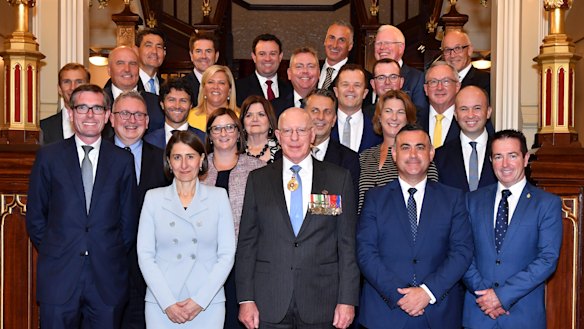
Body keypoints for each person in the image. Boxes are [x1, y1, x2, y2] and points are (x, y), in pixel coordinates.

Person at [27, 84, 138, 329]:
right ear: (71, 113)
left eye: (97, 108)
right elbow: (36, 216)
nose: (90, 115)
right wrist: (57, 249)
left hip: (107, 279)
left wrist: (108, 250)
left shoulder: (122, 161)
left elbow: (128, 222)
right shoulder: (49, 157)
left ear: (108, 115)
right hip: (59, 276)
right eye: (83, 108)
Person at [237, 107, 360, 329]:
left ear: (312, 135)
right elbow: (247, 243)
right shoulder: (258, 179)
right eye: (288, 131)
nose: (294, 138)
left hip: (322, 301)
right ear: (278, 135)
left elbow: (347, 245)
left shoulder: (338, 179)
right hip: (269, 301)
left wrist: (347, 300)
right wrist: (246, 299)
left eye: (301, 130)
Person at [357, 124, 473, 329]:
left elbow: (461, 252)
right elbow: (366, 252)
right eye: (405, 147)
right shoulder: (374, 198)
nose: (413, 154)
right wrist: (399, 295)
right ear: (394, 153)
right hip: (384, 313)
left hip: (438, 313)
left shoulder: (453, 198)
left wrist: (427, 292)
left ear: (430, 153)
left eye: (420, 147)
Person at [463, 129, 563, 328]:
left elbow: (547, 259)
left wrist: (501, 296)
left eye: (512, 155)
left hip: (523, 317)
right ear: (491, 160)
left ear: (525, 159)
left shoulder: (546, 204)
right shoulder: (472, 201)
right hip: (479, 313)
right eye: (498, 156)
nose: (505, 164)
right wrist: (486, 296)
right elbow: (462, 251)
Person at [137, 130, 236, 328]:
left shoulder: (218, 197)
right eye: (177, 157)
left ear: (201, 160)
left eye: (190, 157)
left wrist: (200, 300)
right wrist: (168, 303)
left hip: (207, 303)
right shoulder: (153, 198)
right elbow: (145, 254)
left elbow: (226, 254)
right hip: (162, 302)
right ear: (169, 162)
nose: (184, 165)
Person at [109, 90, 170, 329]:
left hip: (151, 275)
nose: (131, 120)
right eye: (125, 113)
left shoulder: (164, 161)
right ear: (111, 119)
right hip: (106, 272)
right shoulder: (95, 158)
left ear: (147, 122)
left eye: (138, 115)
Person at [201, 108, 265, 329]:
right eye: (217, 128)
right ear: (210, 134)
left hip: (245, 264)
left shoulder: (257, 168)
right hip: (206, 264)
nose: (223, 133)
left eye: (229, 127)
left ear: (239, 133)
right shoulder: (198, 169)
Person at [358, 90, 439, 213]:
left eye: (400, 112)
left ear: (408, 119)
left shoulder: (419, 157)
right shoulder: (364, 157)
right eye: (388, 111)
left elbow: (431, 203)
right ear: (379, 117)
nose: (394, 117)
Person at [434, 86, 497, 192]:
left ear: (488, 112)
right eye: (464, 109)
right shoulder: (439, 156)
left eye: (477, 108)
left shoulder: (502, 153)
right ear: (455, 114)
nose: (470, 115)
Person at [305, 88, 360, 196]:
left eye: (327, 112)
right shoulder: (285, 155)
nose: (321, 117)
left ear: (334, 119)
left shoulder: (349, 160)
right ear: (304, 115)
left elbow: (349, 205)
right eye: (315, 110)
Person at [103, 46, 165, 132]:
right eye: (120, 63)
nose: (127, 69)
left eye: (132, 63)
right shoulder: (98, 103)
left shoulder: (157, 104)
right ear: (109, 70)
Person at [374, 25, 427, 111]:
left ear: (401, 48)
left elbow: (419, 116)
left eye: (387, 43)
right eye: (378, 43)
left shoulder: (417, 79)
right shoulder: (367, 77)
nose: (382, 47)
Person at [319, 21, 374, 106]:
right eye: (332, 38)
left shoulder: (364, 77)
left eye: (341, 40)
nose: (335, 45)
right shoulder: (310, 72)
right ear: (325, 41)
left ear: (350, 46)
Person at [330, 64, 382, 153]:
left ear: (365, 93)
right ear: (336, 91)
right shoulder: (324, 125)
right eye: (345, 84)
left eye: (357, 85)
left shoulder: (378, 129)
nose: (351, 89)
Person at [144, 78, 206, 149]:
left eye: (183, 101)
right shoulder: (149, 141)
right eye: (171, 100)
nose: (177, 106)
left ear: (191, 105)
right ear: (162, 104)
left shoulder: (203, 140)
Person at [235, 33, 292, 106]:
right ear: (254, 57)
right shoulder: (238, 89)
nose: (267, 59)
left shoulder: (289, 89)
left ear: (280, 57)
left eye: (273, 54)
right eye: (262, 54)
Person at [41, 63, 90, 144]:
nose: (73, 87)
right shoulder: (43, 128)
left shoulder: (103, 125)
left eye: (79, 82)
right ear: (59, 89)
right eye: (67, 82)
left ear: (88, 87)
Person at [418, 61, 462, 149]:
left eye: (446, 81)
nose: (439, 88)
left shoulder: (468, 119)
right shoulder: (413, 119)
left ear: (457, 86)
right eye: (433, 82)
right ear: (426, 89)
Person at [271, 47, 320, 117]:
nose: (305, 71)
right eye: (299, 66)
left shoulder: (330, 105)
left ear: (319, 73)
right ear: (289, 73)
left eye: (311, 66)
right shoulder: (274, 108)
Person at [187, 64, 238, 131]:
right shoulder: (189, 117)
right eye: (210, 82)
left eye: (221, 83)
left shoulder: (240, 118)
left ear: (229, 90)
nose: (215, 87)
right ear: (204, 89)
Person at [442, 30, 490, 97]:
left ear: (469, 50)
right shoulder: (439, 82)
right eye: (447, 50)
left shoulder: (486, 81)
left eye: (458, 48)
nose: (452, 55)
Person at [240, 95, 281, 163]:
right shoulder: (235, 151)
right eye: (249, 115)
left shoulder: (282, 151)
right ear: (243, 122)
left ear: (270, 121)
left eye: (261, 114)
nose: (255, 119)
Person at [182, 32, 220, 106]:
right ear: (191, 55)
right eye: (198, 51)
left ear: (216, 56)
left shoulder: (225, 86)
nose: (203, 56)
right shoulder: (181, 85)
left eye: (208, 51)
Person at [135, 27, 167, 95]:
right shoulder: (127, 82)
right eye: (148, 45)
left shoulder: (167, 87)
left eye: (159, 47)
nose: (154, 51)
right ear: (136, 51)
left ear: (164, 53)